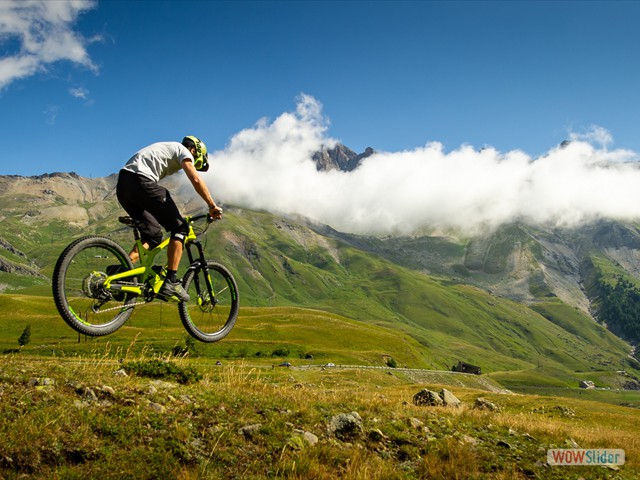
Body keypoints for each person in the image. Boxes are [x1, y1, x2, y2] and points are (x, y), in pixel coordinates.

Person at [116, 136, 223, 302]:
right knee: (180, 229)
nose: (193, 163)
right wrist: (211, 205)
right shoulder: (184, 151)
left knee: (153, 235)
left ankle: (120, 274)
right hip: (140, 180)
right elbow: (195, 178)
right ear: (194, 150)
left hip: (123, 185)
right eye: (195, 161)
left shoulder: (168, 148)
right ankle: (171, 281)